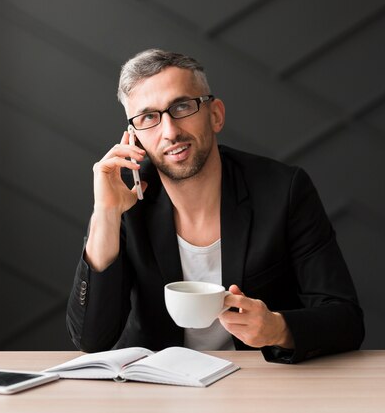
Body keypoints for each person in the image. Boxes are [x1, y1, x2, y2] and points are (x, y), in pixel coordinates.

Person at [66, 48, 364, 363]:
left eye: (181, 106)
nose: (170, 131)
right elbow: (92, 339)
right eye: (149, 117)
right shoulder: (127, 202)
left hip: (259, 388)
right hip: (159, 388)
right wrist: (105, 215)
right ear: (134, 138)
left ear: (215, 114)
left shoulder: (283, 190)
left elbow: (346, 320)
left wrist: (277, 329)